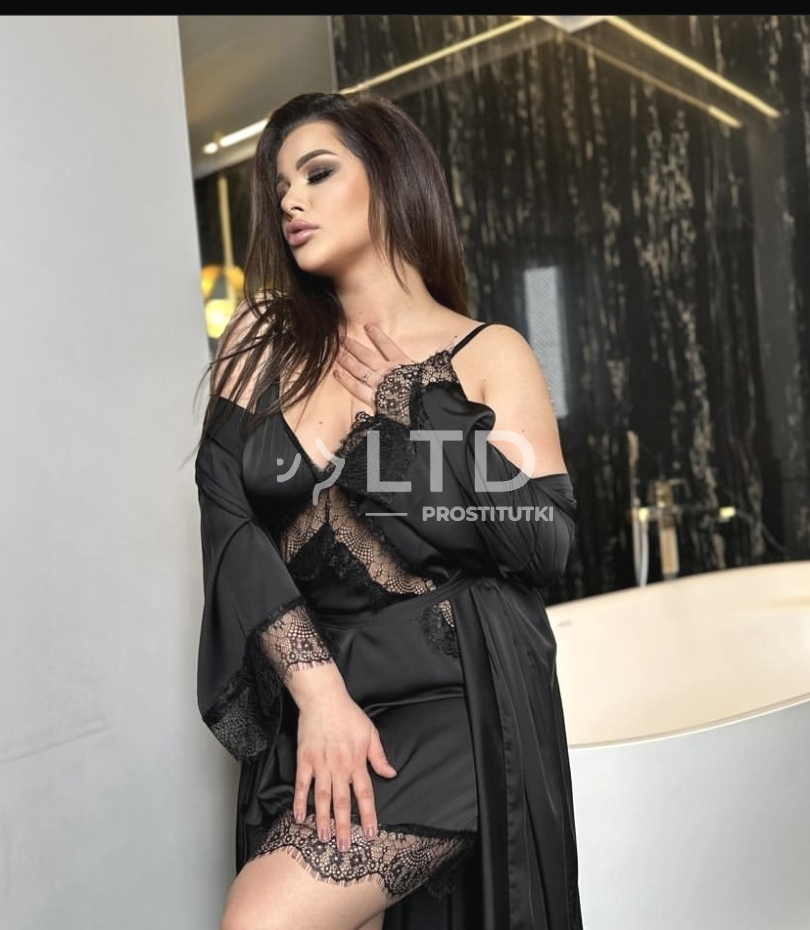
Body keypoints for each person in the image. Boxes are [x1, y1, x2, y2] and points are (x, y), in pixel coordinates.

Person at [194, 90, 582, 930]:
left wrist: (423, 412)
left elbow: (545, 543)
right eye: (280, 187)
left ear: (389, 175)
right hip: (319, 694)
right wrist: (319, 696)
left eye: (317, 173)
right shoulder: (260, 339)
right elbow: (228, 519)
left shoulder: (488, 351)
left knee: (260, 918)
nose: (290, 201)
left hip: (455, 698)